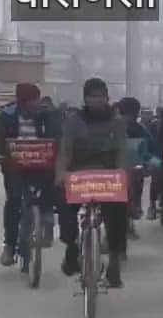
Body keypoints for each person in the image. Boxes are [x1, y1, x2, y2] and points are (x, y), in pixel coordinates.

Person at [54, 78, 131, 286]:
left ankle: (114, 260)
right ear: (85, 99)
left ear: (107, 98)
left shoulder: (117, 122)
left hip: (108, 177)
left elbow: (122, 151)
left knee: (118, 214)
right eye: (92, 97)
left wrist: (122, 174)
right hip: (79, 175)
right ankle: (71, 247)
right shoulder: (73, 121)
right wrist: (61, 173)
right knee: (63, 205)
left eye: (100, 96)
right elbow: (65, 151)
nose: (96, 100)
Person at [0, 82, 58, 267]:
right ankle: (9, 246)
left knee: (51, 183)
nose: (34, 105)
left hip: (40, 166)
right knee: (13, 201)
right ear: (21, 102)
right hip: (14, 168)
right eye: (30, 102)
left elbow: (56, 139)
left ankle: (46, 215)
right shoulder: (6, 117)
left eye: (36, 101)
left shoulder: (47, 116)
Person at [117, 97, 160, 225]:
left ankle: (134, 207)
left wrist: (156, 164)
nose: (128, 119)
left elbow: (151, 151)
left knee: (136, 177)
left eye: (132, 115)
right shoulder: (109, 127)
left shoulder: (141, 130)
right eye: (126, 115)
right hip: (113, 166)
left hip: (134, 166)